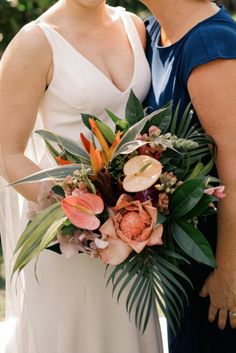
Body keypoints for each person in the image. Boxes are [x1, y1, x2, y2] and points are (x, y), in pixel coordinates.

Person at [0, 1, 164, 352]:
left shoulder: (133, 25)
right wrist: (83, 217)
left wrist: (132, 217)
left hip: (134, 240)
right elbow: (8, 153)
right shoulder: (36, 42)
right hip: (71, 247)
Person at [139, 0, 236, 352]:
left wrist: (229, 269)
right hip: (184, 263)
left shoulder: (211, 45)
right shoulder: (152, 31)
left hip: (219, 260)